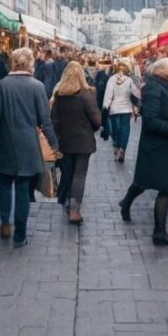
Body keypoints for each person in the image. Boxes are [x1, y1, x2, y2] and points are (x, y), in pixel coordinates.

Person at [0, 47, 59, 247]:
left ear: (14, 62)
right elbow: (45, 120)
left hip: (7, 143)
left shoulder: (2, 85)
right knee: (23, 189)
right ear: (30, 63)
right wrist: (54, 143)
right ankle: (20, 234)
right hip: (28, 145)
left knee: (5, 183)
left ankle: (5, 223)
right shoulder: (37, 86)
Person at [118, 58, 168, 246]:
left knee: (146, 181)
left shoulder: (158, 86)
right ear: (162, 73)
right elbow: (150, 120)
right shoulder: (153, 89)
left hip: (158, 144)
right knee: (163, 186)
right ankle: (159, 232)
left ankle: (126, 203)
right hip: (157, 145)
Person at [51, 62, 102, 225]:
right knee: (79, 175)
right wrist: (89, 129)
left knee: (69, 173)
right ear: (81, 75)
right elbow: (97, 121)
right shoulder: (86, 94)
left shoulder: (59, 95)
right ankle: (74, 211)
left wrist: (58, 139)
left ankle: (67, 203)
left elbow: (54, 120)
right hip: (83, 141)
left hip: (65, 141)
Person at [103, 61, 140, 163]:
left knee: (115, 129)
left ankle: (116, 145)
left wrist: (105, 106)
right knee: (125, 129)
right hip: (126, 109)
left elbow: (108, 94)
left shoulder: (111, 79)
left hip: (114, 108)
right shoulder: (129, 80)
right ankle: (122, 149)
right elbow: (136, 93)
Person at [94, 59, 111, 140]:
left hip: (102, 98)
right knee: (104, 116)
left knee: (104, 116)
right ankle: (106, 133)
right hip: (103, 97)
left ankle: (106, 133)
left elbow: (100, 87)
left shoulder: (102, 75)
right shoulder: (103, 74)